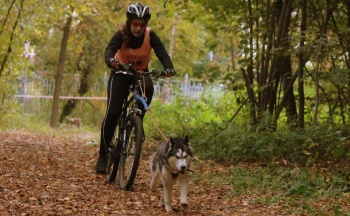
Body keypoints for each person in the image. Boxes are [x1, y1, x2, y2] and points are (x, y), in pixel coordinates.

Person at [95, 2, 175, 174]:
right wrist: (110, 61)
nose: (138, 28)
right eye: (135, 24)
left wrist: (168, 67)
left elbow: (161, 52)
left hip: (140, 74)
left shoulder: (150, 35)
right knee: (113, 112)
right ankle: (102, 155)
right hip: (120, 74)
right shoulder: (121, 33)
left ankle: (137, 121)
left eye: (142, 24)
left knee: (149, 88)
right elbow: (109, 50)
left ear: (145, 24)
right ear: (129, 23)